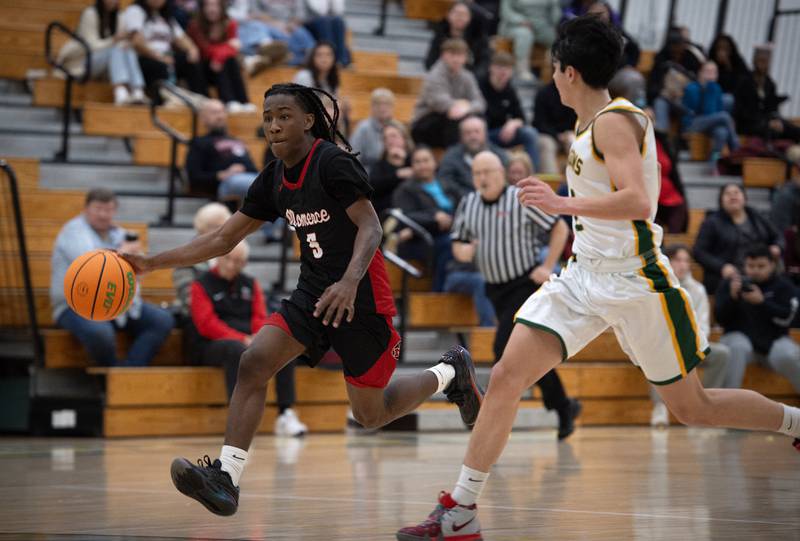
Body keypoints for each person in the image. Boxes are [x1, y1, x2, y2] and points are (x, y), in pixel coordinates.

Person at [397, 16, 800, 540]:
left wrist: (557, 200)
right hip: (583, 276)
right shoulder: (587, 125)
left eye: (553, 70)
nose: (550, 78)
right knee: (505, 378)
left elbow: (640, 201)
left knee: (693, 408)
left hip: (638, 282)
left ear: (569, 72)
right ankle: (461, 509)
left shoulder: (614, 121)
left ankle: (795, 423)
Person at [121, 83, 485, 516]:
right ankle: (227, 478)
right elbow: (222, 238)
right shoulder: (274, 177)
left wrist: (349, 282)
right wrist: (150, 263)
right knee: (254, 361)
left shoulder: (331, 163)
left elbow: (371, 228)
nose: (273, 125)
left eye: (284, 116)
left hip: (362, 298)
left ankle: (450, 372)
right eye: (268, 116)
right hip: (314, 292)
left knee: (370, 414)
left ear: (308, 120)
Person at [451, 151, 580, 438]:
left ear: (501, 172)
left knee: (503, 350)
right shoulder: (468, 203)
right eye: (477, 174)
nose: (483, 178)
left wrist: (547, 266)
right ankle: (563, 406)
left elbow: (559, 227)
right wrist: (465, 251)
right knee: (524, 356)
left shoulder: (519, 199)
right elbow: (458, 244)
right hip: (494, 290)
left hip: (524, 286)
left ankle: (484, 416)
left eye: (488, 172)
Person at [190, 240, 308, 436]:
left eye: (237, 261)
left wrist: (259, 339)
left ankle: (285, 413)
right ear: (219, 257)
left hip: (247, 340)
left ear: (244, 263)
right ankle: (238, 423)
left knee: (283, 347)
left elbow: (260, 317)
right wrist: (242, 339)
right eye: (228, 259)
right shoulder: (201, 284)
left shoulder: (250, 284)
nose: (231, 265)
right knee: (236, 350)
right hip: (210, 345)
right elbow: (207, 324)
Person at [50, 188, 174, 367]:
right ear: (86, 209)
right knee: (100, 332)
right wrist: (123, 253)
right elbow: (93, 268)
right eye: (98, 209)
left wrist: (136, 261)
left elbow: (135, 275)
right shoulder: (73, 231)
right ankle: (110, 375)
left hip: (117, 304)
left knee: (163, 320)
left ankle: (128, 373)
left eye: (108, 210)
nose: (103, 215)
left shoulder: (121, 234)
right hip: (76, 306)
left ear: (114, 211)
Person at [650, 244, 731, 427]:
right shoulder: (655, 285)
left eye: (686, 261)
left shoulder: (698, 290)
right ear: (667, 261)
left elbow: (703, 326)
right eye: (678, 260)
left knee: (722, 354)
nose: (683, 265)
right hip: (662, 346)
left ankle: (707, 407)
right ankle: (659, 408)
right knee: (654, 354)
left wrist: (687, 344)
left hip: (691, 345)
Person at [716, 244, 800, 392]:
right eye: (751, 265)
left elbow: (790, 319)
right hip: (741, 344)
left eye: (761, 266)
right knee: (737, 346)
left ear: (773, 265)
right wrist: (733, 298)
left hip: (774, 342)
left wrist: (762, 303)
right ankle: (726, 404)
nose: (755, 270)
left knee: (788, 354)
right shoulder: (731, 284)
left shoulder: (784, 286)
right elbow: (720, 319)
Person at [391, 146, 461, 292]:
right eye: (417, 162)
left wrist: (450, 219)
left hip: (450, 232)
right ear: (412, 166)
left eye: (426, 160)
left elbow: (463, 206)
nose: (422, 165)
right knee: (450, 244)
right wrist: (434, 217)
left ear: (434, 163)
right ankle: (438, 293)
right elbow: (406, 216)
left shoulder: (447, 184)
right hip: (420, 240)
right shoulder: (405, 190)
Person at [693, 183, 783, 294]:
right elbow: (698, 252)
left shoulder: (756, 216)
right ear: (721, 201)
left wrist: (777, 246)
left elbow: (778, 236)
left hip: (759, 270)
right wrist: (722, 267)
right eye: (728, 194)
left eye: (736, 193)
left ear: (744, 198)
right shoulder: (712, 222)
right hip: (728, 275)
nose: (733, 196)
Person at [58, 0, 147, 105]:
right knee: (117, 49)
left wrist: (125, 43)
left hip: (108, 63)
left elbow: (122, 42)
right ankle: (121, 92)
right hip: (83, 62)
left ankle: (137, 91)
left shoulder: (119, 16)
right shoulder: (90, 14)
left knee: (126, 48)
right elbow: (91, 46)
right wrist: (114, 40)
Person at [124, 0, 208, 104]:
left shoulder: (166, 16)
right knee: (159, 66)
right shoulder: (135, 11)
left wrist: (192, 49)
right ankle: (162, 103)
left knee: (190, 61)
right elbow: (137, 41)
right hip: (145, 58)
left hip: (167, 57)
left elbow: (181, 38)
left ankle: (203, 101)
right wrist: (158, 57)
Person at [410, 38, 486, 149]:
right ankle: (454, 156)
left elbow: (480, 102)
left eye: (460, 55)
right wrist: (463, 105)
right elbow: (440, 103)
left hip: (452, 119)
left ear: (465, 57)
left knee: (478, 118)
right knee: (454, 118)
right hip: (424, 123)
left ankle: (479, 152)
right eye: (452, 54)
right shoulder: (434, 75)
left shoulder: (467, 76)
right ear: (443, 55)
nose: (456, 59)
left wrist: (467, 107)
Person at [187, 0, 254, 112]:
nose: (211, 9)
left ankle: (243, 101)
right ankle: (228, 100)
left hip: (220, 64)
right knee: (225, 60)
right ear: (202, 8)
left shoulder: (230, 23)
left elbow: (234, 48)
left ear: (222, 7)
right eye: (207, 5)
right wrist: (227, 47)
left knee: (230, 60)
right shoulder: (195, 25)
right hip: (202, 68)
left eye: (215, 5)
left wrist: (220, 56)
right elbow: (206, 49)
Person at [185, 99, 259, 199]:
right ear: (203, 118)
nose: (220, 116)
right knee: (263, 187)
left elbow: (252, 168)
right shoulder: (199, 143)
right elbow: (194, 177)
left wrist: (243, 169)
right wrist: (221, 174)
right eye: (214, 113)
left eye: (222, 112)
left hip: (250, 178)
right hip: (226, 183)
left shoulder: (237, 140)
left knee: (275, 183)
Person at [479, 51, 540, 171]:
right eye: (499, 67)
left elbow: (522, 117)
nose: (503, 72)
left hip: (504, 133)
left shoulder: (509, 89)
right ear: (491, 68)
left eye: (507, 68)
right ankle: (508, 164)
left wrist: (513, 123)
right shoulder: (480, 86)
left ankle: (532, 173)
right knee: (482, 139)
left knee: (530, 133)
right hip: (486, 134)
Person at [173, 202, 232, 322]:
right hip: (198, 318)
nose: (223, 231)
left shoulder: (232, 254)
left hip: (229, 316)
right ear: (202, 229)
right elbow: (189, 299)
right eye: (217, 226)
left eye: (225, 226)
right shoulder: (186, 257)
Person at [735, 45, 800, 143]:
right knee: (772, 131)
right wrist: (767, 122)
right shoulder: (744, 80)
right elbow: (741, 111)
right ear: (754, 61)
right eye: (760, 60)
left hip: (766, 121)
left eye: (765, 61)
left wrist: (775, 119)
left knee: (792, 129)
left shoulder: (770, 83)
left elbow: (772, 108)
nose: (762, 64)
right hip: (748, 123)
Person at [682, 61, 740, 164]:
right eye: (707, 71)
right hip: (693, 123)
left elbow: (716, 111)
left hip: (710, 122)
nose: (710, 75)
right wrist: (708, 89)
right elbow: (702, 111)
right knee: (725, 116)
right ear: (700, 72)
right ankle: (736, 150)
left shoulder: (716, 88)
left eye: (714, 72)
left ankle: (713, 162)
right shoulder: (691, 88)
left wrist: (711, 88)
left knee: (722, 132)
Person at [227, 0, 313, 69]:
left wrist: (290, 25)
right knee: (257, 31)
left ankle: (309, 58)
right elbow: (255, 13)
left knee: (301, 34)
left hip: (288, 25)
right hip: (267, 24)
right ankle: (266, 57)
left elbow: (299, 15)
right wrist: (275, 24)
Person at [438, 115, 509, 200]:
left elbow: (508, 180)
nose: (473, 136)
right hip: (462, 204)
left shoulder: (500, 155)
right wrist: (471, 199)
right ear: (461, 136)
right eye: (468, 133)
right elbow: (446, 182)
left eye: (477, 132)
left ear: (485, 134)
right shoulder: (450, 157)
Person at [498, 0, 561, 82]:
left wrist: (553, 16)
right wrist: (520, 21)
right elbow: (506, 11)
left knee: (555, 38)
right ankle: (522, 70)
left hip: (541, 25)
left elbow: (555, 15)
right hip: (515, 25)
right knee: (525, 34)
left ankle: (556, 68)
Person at [424, 1, 490, 77]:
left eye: (463, 14)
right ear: (448, 15)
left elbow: (484, 64)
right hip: (443, 78)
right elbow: (430, 62)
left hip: (470, 78)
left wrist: (471, 76)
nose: (459, 17)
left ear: (469, 18)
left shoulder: (478, 37)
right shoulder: (440, 35)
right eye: (456, 13)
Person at [368, 121, 414, 218]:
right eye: (385, 138)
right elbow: (373, 189)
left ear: (404, 138)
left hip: (415, 210)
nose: (389, 140)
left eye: (393, 136)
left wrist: (405, 160)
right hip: (389, 213)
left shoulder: (414, 160)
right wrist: (397, 175)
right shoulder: (379, 166)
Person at [532, 80, 576, 175]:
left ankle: (580, 180)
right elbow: (538, 123)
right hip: (549, 135)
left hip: (569, 134)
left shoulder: (574, 93)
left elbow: (579, 119)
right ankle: (552, 182)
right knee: (546, 145)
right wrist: (557, 135)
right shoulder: (543, 93)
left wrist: (570, 133)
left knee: (575, 142)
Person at [349, 88, 396, 171]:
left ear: (392, 107)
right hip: (368, 176)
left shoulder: (397, 128)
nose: (383, 107)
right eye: (378, 104)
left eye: (387, 104)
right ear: (372, 107)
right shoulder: (363, 128)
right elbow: (354, 159)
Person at [302, 0, 351, 66]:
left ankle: (342, 60)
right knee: (324, 21)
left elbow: (339, 10)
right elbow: (320, 10)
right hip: (309, 23)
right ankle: (331, 58)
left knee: (339, 21)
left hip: (327, 21)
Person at [708, 34, 748, 104]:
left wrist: (727, 65)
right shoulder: (710, 61)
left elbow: (741, 84)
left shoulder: (738, 63)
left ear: (731, 50)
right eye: (719, 48)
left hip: (733, 99)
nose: (722, 52)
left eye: (725, 49)